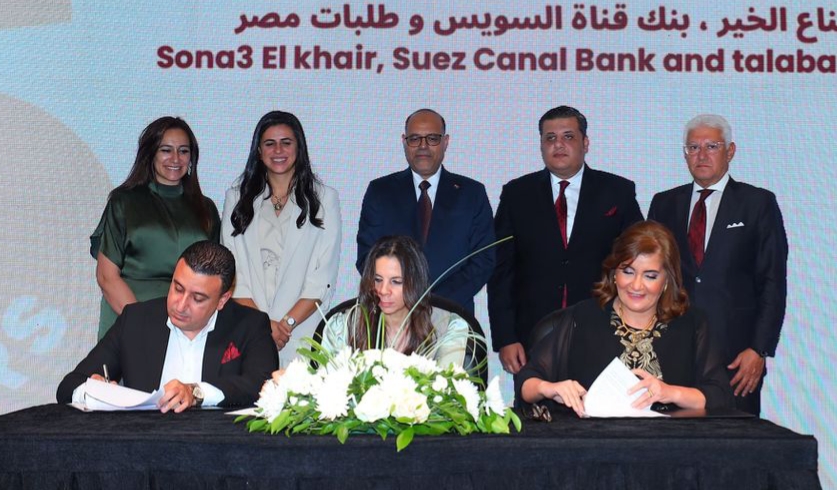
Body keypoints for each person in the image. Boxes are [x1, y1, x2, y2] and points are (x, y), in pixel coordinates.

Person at [515, 221, 734, 417]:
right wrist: (549, 389)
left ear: (667, 280)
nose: (636, 285)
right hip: (591, 443)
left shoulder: (692, 324)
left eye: (650, 276)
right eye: (627, 272)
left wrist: (671, 392)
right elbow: (526, 381)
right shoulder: (581, 317)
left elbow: (720, 395)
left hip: (669, 444)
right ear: (614, 273)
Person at [647, 114, 788, 416]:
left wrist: (759, 349)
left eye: (712, 146)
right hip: (671, 350)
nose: (701, 155)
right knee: (669, 440)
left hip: (736, 357)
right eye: (693, 148)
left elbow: (772, 281)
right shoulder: (664, 204)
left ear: (730, 151)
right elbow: (651, 277)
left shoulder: (757, 203)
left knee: (735, 439)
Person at [489, 106, 643, 374]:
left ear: (586, 143)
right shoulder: (517, 194)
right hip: (532, 336)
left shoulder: (618, 191)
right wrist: (506, 338)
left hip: (604, 330)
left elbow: (637, 262)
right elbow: (501, 271)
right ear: (541, 145)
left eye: (568, 136)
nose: (558, 144)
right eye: (550, 138)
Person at [57, 241, 278, 411]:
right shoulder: (136, 320)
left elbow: (263, 386)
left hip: (218, 446)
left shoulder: (250, 325)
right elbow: (69, 385)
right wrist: (93, 391)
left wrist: (196, 392)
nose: (180, 305)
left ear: (222, 300)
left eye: (197, 298)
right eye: (177, 288)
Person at [222, 111, 341, 365]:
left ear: (299, 147)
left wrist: (285, 324)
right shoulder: (236, 199)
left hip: (301, 332)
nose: (278, 150)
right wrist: (264, 325)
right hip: (247, 328)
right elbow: (234, 275)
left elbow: (323, 278)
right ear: (258, 151)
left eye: (286, 142)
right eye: (270, 143)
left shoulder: (324, 199)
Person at [91, 116, 221, 338]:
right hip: (129, 321)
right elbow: (107, 277)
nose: (175, 158)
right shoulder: (123, 202)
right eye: (166, 150)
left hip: (189, 328)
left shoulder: (206, 209)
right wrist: (146, 324)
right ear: (151, 154)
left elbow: (215, 279)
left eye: (183, 151)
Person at [356, 108, 495, 314]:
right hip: (393, 316)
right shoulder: (380, 191)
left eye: (432, 138)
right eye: (414, 139)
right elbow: (367, 256)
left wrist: (434, 301)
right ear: (404, 142)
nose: (423, 146)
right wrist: (402, 297)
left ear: (445, 142)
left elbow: (483, 259)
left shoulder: (472, 193)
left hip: (452, 315)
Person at [324, 235, 469, 369]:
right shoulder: (344, 326)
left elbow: (446, 385)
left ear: (415, 284)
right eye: (377, 280)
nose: (383, 290)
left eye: (396, 281)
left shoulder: (446, 327)